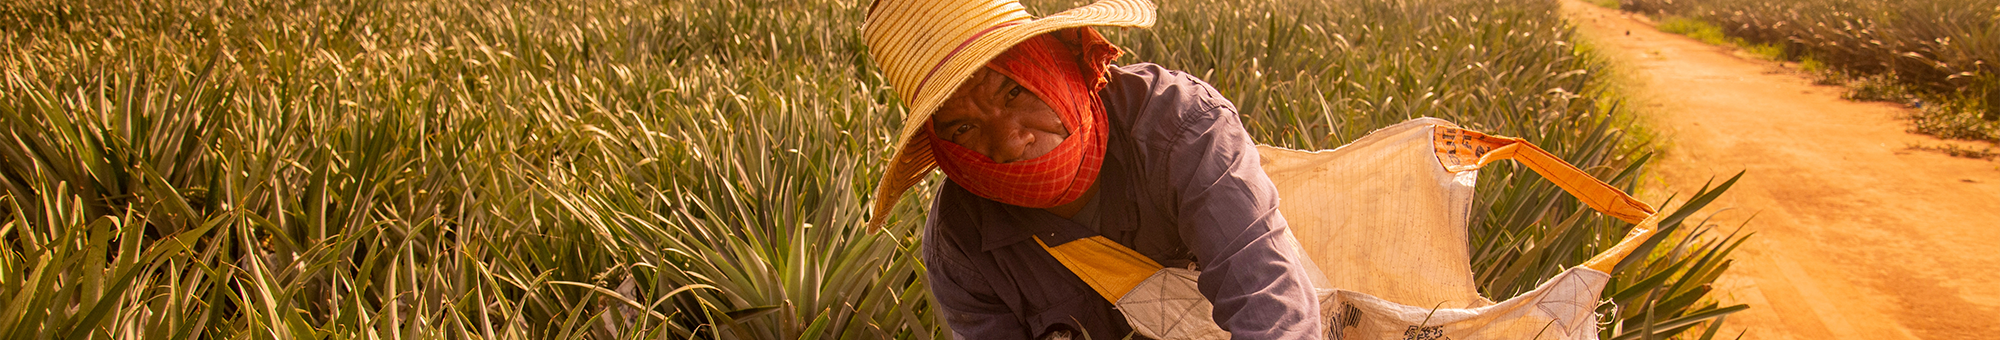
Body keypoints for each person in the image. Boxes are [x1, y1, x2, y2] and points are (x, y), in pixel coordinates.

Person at [861, 0, 1324, 338]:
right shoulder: (962, 242)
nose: (1011, 141)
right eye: (964, 128)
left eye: (1015, 92)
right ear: (945, 150)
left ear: (1061, 65)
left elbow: (1270, 307)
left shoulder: (1180, 128)